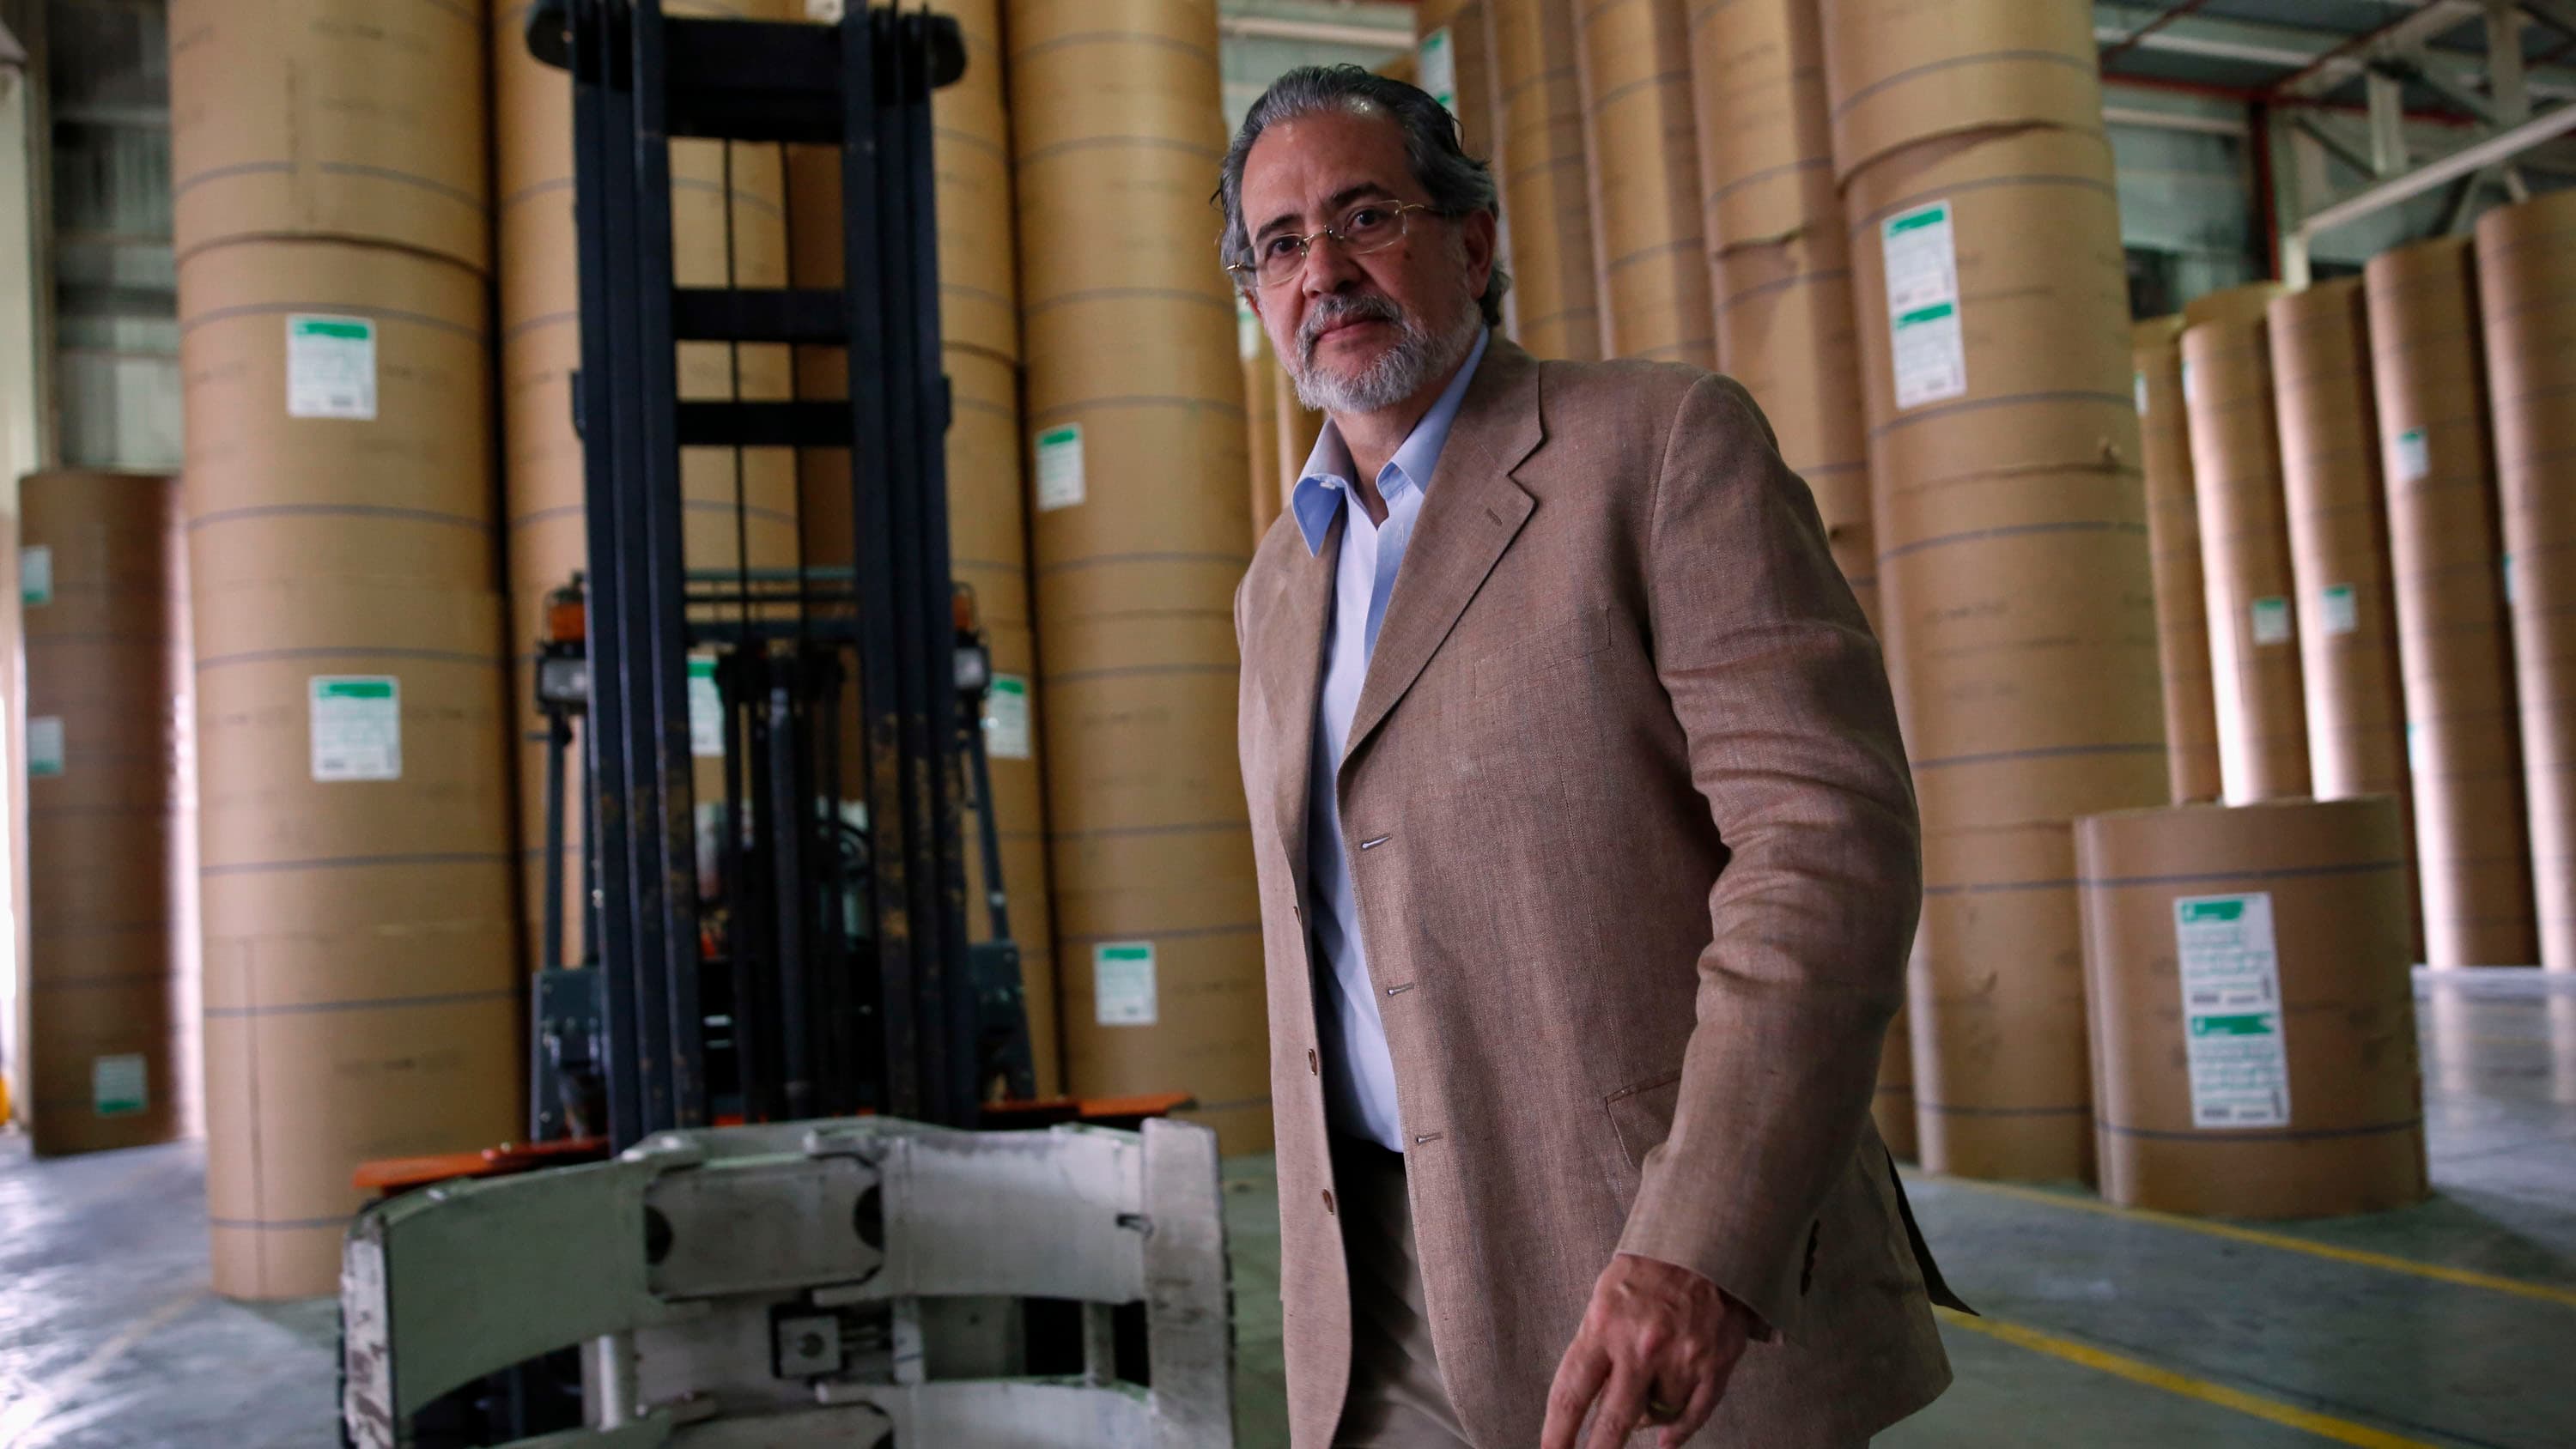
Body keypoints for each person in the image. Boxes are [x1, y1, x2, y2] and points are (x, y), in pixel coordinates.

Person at [1220, 65, 1963, 1449]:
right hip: (1377, 1308)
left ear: (1473, 241)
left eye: (1364, 214)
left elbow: (1825, 850)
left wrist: (1702, 1239)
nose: (1322, 268)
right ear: (1257, 300)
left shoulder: (1660, 447)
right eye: (1280, 244)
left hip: (1647, 1278)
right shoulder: (1277, 584)